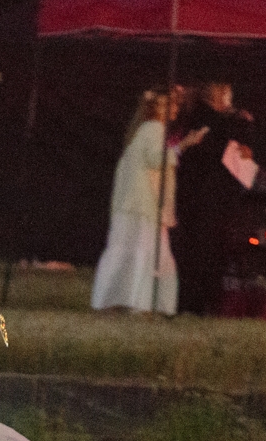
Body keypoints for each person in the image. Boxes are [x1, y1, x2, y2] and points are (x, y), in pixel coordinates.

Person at [91, 89, 183, 314]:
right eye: (172, 105)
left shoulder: (142, 130)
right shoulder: (154, 129)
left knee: (128, 252)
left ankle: (114, 300)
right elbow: (155, 158)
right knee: (146, 253)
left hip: (134, 205)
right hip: (144, 206)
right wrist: (182, 147)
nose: (176, 110)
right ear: (160, 108)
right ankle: (141, 304)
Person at [173, 79, 255, 316]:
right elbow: (233, 134)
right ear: (220, 96)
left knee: (201, 252)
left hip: (202, 201)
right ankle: (198, 304)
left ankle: (198, 303)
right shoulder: (209, 121)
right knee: (204, 254)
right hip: (206, 202)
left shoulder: (206, 119)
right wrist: (243, 122)